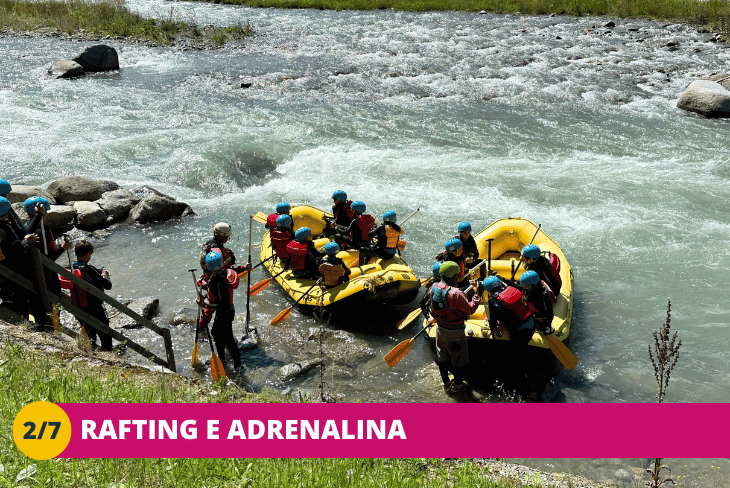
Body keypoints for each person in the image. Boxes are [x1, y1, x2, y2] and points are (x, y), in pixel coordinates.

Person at [428, 261, 481, 394]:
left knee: (443, 355)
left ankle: (446, 383)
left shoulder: (433, 287)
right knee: (458, 359)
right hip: (455, 332)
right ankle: (457, 384)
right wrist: (478, 293)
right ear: (454, 276)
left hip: (440, 329)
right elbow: (470, 309)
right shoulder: (456, 293)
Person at [197, 251, 242, 373]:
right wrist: (205, 293)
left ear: (208, 266)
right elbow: (216, 295)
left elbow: (222, 304)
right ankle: (222, 359)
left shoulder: (218, 281)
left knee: (227, 339)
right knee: (216, 333)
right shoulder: (220, 275)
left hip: (225, 312)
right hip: (226, 311)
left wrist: (205, 305)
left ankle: (238, 365)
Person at [71, 240, 113, 351]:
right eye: (89, 255)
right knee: (106, 336)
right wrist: (105, 275)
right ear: (87, 255)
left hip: (80, 308)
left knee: (90, 335)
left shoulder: (71, 269)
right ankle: (108, 354)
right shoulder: (90, 269)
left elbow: (93, 272)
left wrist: (99, 271)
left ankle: (92, 351)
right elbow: (108, 285)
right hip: (96, 309)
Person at [0, 196, 38, 319]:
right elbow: (13, 249)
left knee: (11, 297)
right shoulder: (4, 228)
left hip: (5, 271)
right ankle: (22, 320)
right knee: (19, 299)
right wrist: (26, 241)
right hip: (10, 269)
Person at [518, 270, 555, 335]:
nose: (523, 287)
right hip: (532, 312)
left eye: (525, 285)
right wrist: (504, 280)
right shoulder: (532, 287)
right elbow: (518, 286)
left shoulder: (542, 296)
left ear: (532, 286)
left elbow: (547, 315)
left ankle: (546, 329)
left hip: (541, 320)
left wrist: (529, 315)